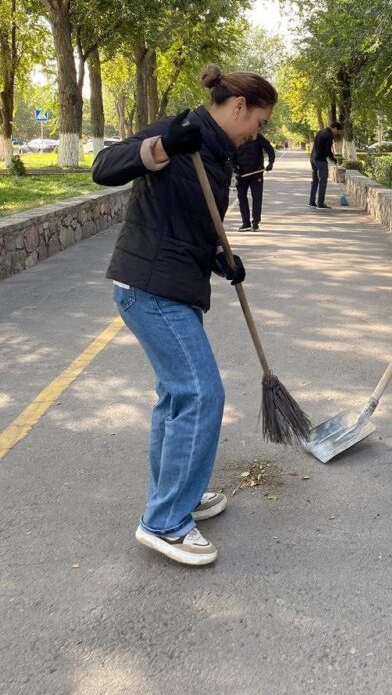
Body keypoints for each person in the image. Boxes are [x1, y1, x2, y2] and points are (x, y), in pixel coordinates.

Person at [92, 64, 277, 567]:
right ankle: (165, 523)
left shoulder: (218, 153)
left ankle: (179, 496)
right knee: (200, 393)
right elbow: (103, 166)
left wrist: (219, 258)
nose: (256, 133)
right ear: (238, 107)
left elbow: (193, 219)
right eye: (258, 122)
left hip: (173, 284)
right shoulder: (179, 132)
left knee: (176, 397)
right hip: (150, 287)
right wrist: (162, 146)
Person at [235, 131, 275, 231]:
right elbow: (231, 154)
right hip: (241, 174)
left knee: (257, 197)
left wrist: (270, 163)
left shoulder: (258, 137)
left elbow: (270, 149)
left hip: (256, 173)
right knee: (241, 198)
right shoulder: (237, 136)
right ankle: (246, 223)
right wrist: (234, 168)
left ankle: (255, 222)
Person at [309, 120, 343, 209]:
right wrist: (333, 159)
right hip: (320, 160)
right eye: (338, 131)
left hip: (313, 158)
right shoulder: (329, 135)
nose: (337, 134)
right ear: (334, 128)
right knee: (323, 181)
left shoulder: (321, 132)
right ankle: (320, 203)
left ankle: (312, 202)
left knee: (315, 181)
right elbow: (327, 150)